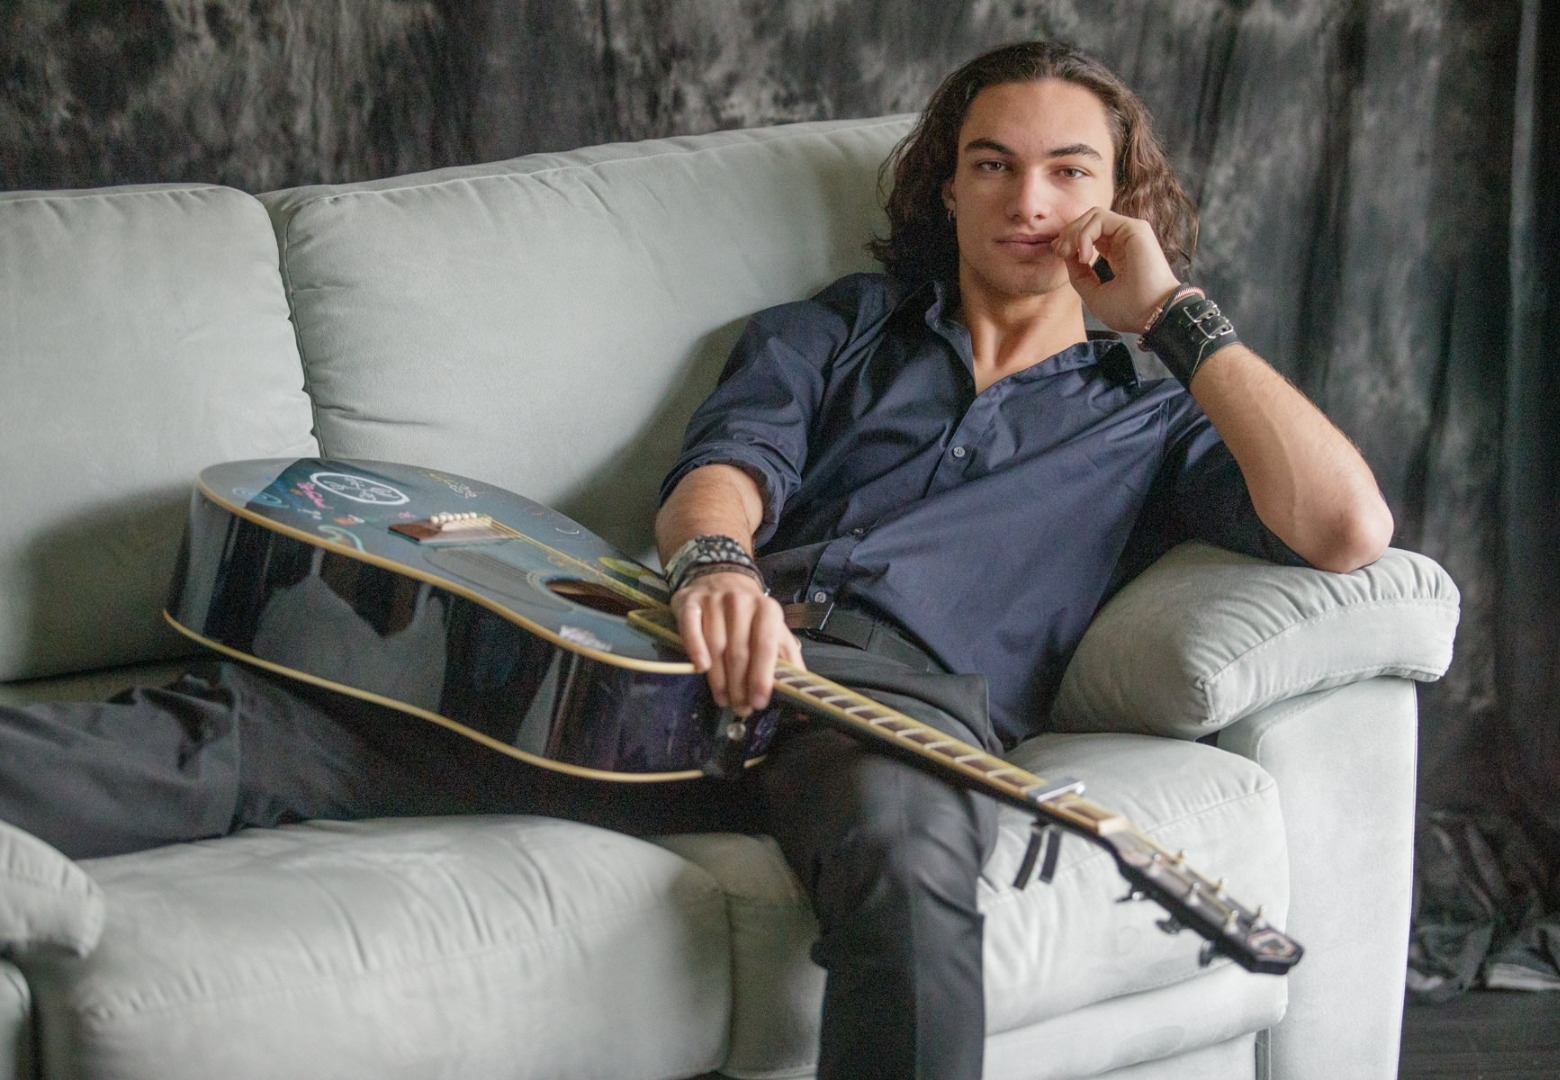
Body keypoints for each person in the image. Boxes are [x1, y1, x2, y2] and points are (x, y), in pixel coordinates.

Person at [0, 41, 1391, 1080]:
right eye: (993, 162)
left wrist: (1174, 316)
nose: (1028, 198)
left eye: (1069, 170)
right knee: (260, 728)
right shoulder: (840, 326)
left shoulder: (1157, 411)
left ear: (1120, 198)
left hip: (885, 714)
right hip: (660, 666)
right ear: (948, 182)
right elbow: (724, 470)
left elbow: (1348, 530)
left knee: (913, 874)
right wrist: (716, 566)